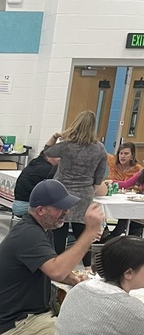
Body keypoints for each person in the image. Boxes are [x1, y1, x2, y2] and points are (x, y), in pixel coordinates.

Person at [0, 181, 104, 335]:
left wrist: (71, 278)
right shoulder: (29, 234)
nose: (65, 212)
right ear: (41, 210)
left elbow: (49, 267)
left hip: (23, 315)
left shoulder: (37, 229)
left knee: (85, 320)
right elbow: (56, 270)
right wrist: (89, 235)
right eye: (60, 207)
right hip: (17, 323)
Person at [44, 112, 108, 262]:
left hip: (62, 191)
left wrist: (55, 136)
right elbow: (99, 177)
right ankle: (86, 265)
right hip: (84, 193)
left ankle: (57, 261)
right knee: (83, 232)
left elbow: (47, 151)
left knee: (60, 227)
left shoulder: (67, 146)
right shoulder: (100, 148)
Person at [12, 149, 59, 219]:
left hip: (17, 204)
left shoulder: (35, 162)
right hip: (26, 206)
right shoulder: (48, 169)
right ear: (49, 157)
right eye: (58, 157)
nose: (60, 159)